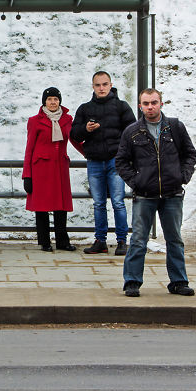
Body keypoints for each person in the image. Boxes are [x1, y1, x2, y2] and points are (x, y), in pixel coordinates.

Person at [116, 88, 196, 298]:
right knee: (138, 239)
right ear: (140, 106)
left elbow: (190, 153)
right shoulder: (132, 131)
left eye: (154, 102)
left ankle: (179, 281)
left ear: (161, 103)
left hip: (172, 193)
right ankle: (132, 282)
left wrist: (183, 176)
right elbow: (121, 161)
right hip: (145, 194)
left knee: (175, 239)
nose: (150, 107)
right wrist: (136, 181)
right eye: (146, 103)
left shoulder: (175, 128)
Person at [71, 71, 136, 256]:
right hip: (94, 162)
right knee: (98, 203)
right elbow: (74, 134)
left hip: (116, 161)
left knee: (118, 202)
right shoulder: (85, 109)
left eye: (104, 84)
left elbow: (132, 131)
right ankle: (100, 241)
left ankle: (122, 241)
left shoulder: (121, 107)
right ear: (93, 86)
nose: (101, 88)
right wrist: (86, 129)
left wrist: (125, 155)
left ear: (110, 85)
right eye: (98, 85)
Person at [22, 87, 83, 252]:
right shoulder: (35, 121)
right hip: (40, 169)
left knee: (60, 206)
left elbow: (75, 140)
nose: (53, 102)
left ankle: (62, 241)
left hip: (60, 168)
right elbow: (29, 149)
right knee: (41, 207)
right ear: (44, 102)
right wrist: (27, 175)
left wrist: (90, 153)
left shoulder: (67, 119)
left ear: (59, 101)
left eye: (56, 99)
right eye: (49, 100)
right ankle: (45, 241)